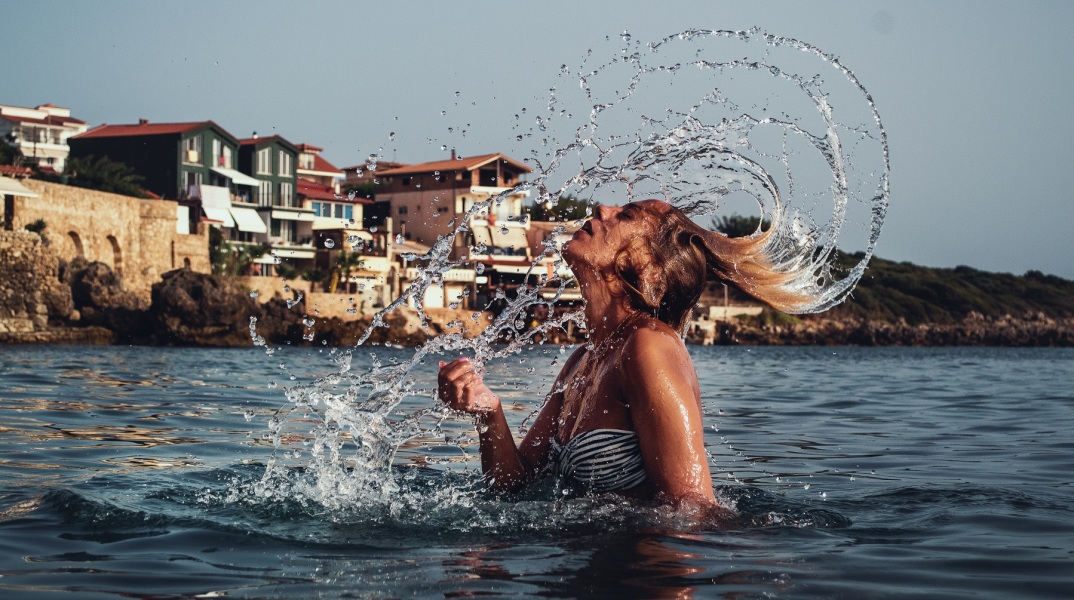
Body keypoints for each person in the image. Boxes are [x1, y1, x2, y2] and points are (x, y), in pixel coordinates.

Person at [438, 199, 815, 510]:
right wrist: (488, 413)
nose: (603, 209)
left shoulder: (648, 347)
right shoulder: (583, 360)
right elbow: (513, 486)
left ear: (649, 269)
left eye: (626, 216)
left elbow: (694, 511)